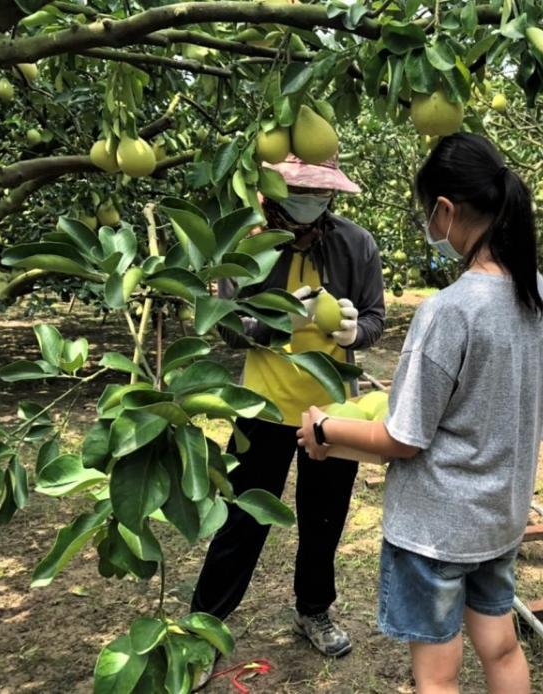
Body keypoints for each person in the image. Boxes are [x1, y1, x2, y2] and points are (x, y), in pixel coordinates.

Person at [296, 133, 543, 694]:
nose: (430, 230)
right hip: (499, 516)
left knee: (436, 677)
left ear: (445, 209)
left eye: (428, 215)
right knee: (502, 645)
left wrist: (323, 427)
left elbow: (404, 438)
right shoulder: (537, 295)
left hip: (437, 531)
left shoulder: (449, 311)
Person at [191, 153, 386, 660]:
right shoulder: (247, 245)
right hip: (262, 406)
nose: (309, 200)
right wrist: (280, 320)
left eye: (319, 191)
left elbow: (375, 318)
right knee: (242, 520)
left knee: (324, 519)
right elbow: (228, 327)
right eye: (298, 189)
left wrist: (353, 331)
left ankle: (314, 609)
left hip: (333, 411)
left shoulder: (356, 244)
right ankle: (204, 629)